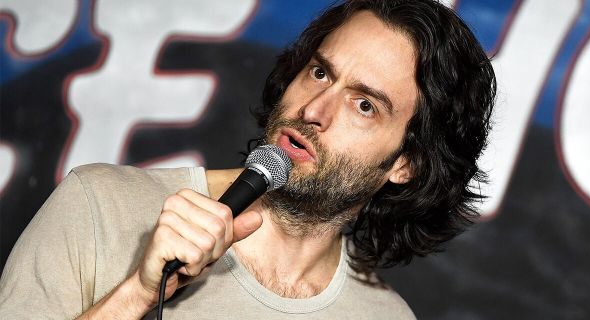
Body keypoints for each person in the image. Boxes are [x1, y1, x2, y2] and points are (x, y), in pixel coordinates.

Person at [0, 0, 495, 318]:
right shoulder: (99, 205)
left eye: (364, 105)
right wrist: (138, 292)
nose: (313, 110)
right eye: (321, 73)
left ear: (406, 165)